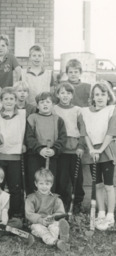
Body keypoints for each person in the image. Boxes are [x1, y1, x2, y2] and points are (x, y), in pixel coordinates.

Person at [80, 81, 116, 231]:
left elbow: (111, 132)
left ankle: (110, 214)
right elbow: (85, 133)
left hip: (105, 150)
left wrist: (100, 150)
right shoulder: (84, 112)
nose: (100, 97)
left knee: (108, 185)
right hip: (92, 152)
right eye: (97, 95)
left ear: (108, 96)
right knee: (98, 184)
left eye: (103, 94)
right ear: (92, 97)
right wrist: (91, 150)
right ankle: (100, 212)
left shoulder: (112, 110)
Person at [0, 87, 26, 218]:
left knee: (15, 187)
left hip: (15, 157)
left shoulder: (22, 115)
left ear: (16, 101)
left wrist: (24, 144)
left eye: (11, 99)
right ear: (1, 101)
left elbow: (26, 132)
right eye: (5, 98)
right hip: (0, 156)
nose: (9, 101)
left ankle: (14, 215)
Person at [25, 92, 67, 194]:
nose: (45, 104)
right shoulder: (32, 118)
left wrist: (54, 150)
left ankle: (49, 205)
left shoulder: (58, 120)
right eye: (42, 102)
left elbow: (62, 138)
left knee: (49, 181)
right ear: (38, 106)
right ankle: (34, 204)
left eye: (48, 102)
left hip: (52, 154)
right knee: (34, 180)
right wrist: (39, 149)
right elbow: (29, 137)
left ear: (52, 105)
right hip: (35, 155)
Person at [53, 82, 85, 212]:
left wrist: (81, 146)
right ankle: (62, 204)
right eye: (62, 93)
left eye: (68, 93)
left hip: (75, 149)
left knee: (77, 178)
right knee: (61, 179)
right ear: (58, 94)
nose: (65, 96)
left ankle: (77, 203)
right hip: (60, 149)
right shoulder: (54, 108)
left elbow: (83, 129)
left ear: (72, 95)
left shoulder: (77, 110)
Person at [25, 168, 70, 251]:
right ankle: (55, 241)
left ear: (51, 184)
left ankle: (63, 236)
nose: (44, 186)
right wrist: (41, 220)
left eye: (47, 183)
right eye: (41, 183)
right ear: (36, 183)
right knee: (41, 230)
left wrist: (52, 218)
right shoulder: (31, 198)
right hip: (37, 223)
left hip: (51, 221)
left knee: (55, 227)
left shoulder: (56, 199)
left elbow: (60, 213)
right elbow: (29, 214)